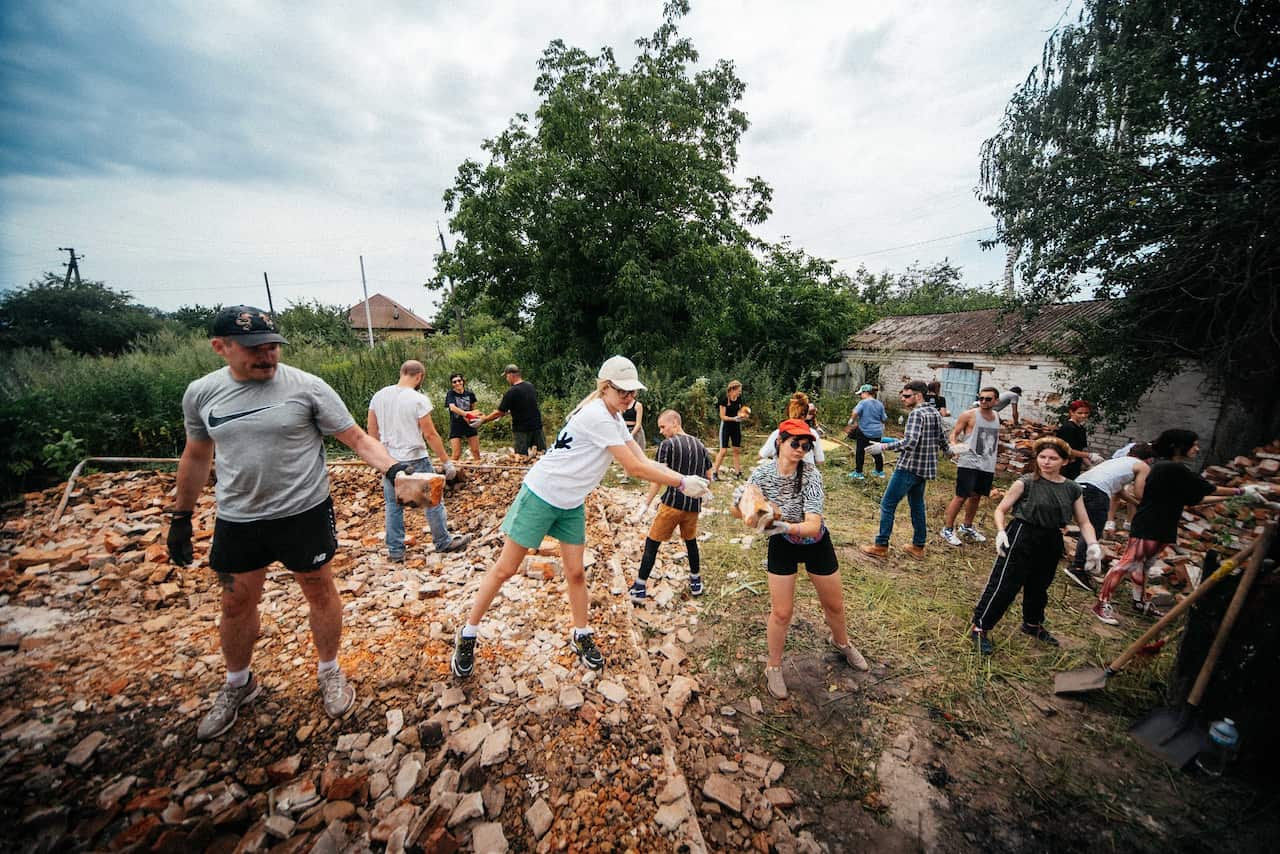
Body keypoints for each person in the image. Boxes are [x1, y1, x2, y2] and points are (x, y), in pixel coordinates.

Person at [166, 305, 407, 741]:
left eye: (273, 345)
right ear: (221, 347)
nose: (268, 355)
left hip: (304, 513)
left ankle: (329, 671)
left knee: (319, 588)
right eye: (255, 348)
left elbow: (355, 438)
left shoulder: (307, 387)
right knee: (236, 602)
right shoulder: (202, 394)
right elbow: (197, 454)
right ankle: (239, 684)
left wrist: (394, 471)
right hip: (239, 518)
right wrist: (181, 516)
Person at [450, 357, 711, 679]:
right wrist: (683, 482)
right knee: (506, 568)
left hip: (571, 502)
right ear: (606, 388)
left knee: (575, 573)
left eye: (633, 393)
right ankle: (468, 632)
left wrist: (685, 477)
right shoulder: (597, 416)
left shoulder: (614, 416)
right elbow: (633, 469)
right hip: (542, 495)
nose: (630, 398)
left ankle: (581, 632)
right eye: (623, 392)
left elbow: (643, 458)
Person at [734, 418, 869, 699]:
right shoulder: (761, 475)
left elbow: (814, 525)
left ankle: (841, 643)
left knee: (834, 604)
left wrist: (786, 525)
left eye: (806, 446)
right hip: (782, 544)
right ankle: (773, 666)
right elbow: (744, 512)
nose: (800, 449)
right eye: (794, 443)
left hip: (815, 542)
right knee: (781, 612)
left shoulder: (810, 475)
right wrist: (746, 506)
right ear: (779, 442)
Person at [1091, 429, 1263, 624]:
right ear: (1179, 446)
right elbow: (1208, 488)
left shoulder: (1172, 470)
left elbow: (1195, 499)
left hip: (1164, 525)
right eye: (1194, 444)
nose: (1197, 449)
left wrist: (1237, 495)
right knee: (1128, 563)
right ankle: (1101, 603)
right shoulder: (1171, 468)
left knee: (1144, 566)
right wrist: (1240, 491)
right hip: (1150, 523)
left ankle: (1139, 603)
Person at [969, 437, 1102, 654]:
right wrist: (1001, 531)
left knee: (1039, 585)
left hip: (1051, 538)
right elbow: (1001, 509)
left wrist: (1093, 544)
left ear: (1065, 461)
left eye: (1053, 458)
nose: (1046, 462)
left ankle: (1032, 624)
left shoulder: (1072, 488)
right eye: (1042, 457)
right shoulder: (1026, 482)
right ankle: (981, 626)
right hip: (1022, 533)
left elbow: (1084, 521)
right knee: (1006, 583)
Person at [368, 361, 473, 562]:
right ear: (419, 377)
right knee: (433, 502)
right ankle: (443, 542)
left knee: (393, 505)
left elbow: (371, 431)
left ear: (402, 373)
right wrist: (446, 461)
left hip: (389, 461)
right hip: (416, 458)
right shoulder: (418, 399)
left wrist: (378, 458)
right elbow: (430, 434)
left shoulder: (379, 396)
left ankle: (396, 551)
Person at [859, 381, 950, 561]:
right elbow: (942, 438)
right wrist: (950, 451)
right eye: (902, 395)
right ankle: (918, 546)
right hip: (924, 469)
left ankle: (881, 545)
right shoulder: (934, 411)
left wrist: (883, 447)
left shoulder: (916, 414)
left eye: (907, 395)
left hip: (909, 467)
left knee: (887, 504)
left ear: (918, 395)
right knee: (917, 506)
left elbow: (910, 442)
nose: (902, 398)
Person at [627, 409, 712, 602]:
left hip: (672, 504)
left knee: (652, 543)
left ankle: (639, 587)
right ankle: (696, 581)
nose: (661, 431)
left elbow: (657, 478)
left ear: (675, 423)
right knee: (691, 542)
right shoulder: (700, 444)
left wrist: (645, 505)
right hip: (693, 507)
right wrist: (704, 492)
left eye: (663, 426)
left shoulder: (668, 445)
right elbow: (709, 476)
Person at [1062, 443, 1156, 592]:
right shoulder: (1143, 466)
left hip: (1078, 485)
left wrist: (1137, 504)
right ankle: (1078, 568)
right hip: (1096, 492)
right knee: (1092, 530)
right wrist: (1150, 504)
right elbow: (1139, 492)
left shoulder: (1116, 462)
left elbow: (1118, 492)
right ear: (1150, 459)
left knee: (1072, 523)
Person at [939, 386, 1001, 546]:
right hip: (969, 461)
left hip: (987, 464)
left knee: (976, 496)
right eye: (981, 398)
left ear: (996, 400)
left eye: (988, 399)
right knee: (961, 496)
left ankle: (967, 526)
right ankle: (947, 529)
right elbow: (954, 433)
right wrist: (954, 446)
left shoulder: (996, 416)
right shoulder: (969, 415)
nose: (984, 401)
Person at [478, 364, 546, 455]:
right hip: (537, 427)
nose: (506, 379)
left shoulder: (511, 392)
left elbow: (499, 412)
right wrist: (509, 411)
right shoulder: (530, 386)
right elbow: (526, 405)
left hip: (522, 430)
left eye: (506, 376)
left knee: (521, 458)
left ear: (510, 375)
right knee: (542, 455)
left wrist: (484, 420)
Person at [760, 392, 825, 467]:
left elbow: (762, 454)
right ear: (806, 414)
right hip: (807, 474)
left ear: (788, 412)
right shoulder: (812, 433)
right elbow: (820, 460)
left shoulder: (778, 433)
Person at [845, 384, 886, 480]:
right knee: (876, 451)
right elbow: (883, 418)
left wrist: (850, 422)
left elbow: (855, 412)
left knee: (860, 451)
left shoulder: (863, 403)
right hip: (877, 432)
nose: (860, 396)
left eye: (861, 394)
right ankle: (879, 472)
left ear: (865, 393)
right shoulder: (879, 404)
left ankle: (859, 473)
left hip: (864, 431)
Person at [711, 380, 746, 480]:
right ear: (732, 390)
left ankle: (738, 473)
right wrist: (733, 418)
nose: (740, 392)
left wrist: (742, 416)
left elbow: (739, 411)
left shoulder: (739, 399)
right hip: (726, 426)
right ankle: (715, 473)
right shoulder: (724, 400)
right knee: (723, 450)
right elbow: (722, 416)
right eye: (739, 390)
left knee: (736, 450)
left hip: (736, 426)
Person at [1056, 399, 1100, 480]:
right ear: (1071, 412)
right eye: (1080, 413)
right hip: (1063, 465)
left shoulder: (1081, 428)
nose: (1083, 415)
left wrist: (1089, 465)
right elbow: (1067, 449)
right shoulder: (1068, 428)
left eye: (1086, 413)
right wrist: (1089, 455)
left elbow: (1080, 450)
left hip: (1075, 465)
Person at [445, 373, 482, 462]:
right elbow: (452, 408)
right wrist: (467, 415)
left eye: (459, 381)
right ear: (452, 384)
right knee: (456, 454)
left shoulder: (470, 394)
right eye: (454, 382)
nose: (457, 383)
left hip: (468, 424)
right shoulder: (451, 394)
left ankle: (478, 470)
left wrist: (472, 417)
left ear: (463, 381)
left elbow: (473, 408)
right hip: (456, 425)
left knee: (476, 451)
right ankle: (450, 472)